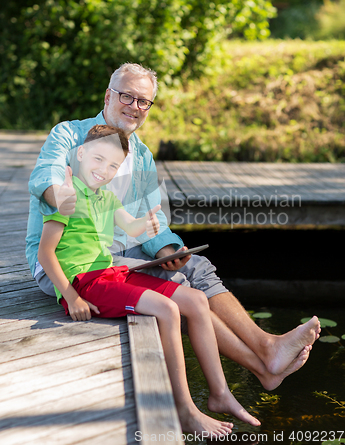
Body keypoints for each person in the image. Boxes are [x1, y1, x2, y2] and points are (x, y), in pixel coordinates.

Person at [26, 62, 321, 395]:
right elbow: (45, 177)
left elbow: (152, 221)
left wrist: (168, 251)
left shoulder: (141, 157)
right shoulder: (70, 134)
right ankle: (262, 362)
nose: (135, 107)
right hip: (69, 262)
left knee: (195, 265)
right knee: (177, 283)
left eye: (144, 102)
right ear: (109, 96)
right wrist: (67, 199)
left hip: (121, 253)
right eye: (127, 96)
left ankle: (266, 348)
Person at [37, 124, 261, 433]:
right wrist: (71, 296)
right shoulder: (67, 196)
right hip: (86, 284)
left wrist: (150, 222)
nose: (104, 170)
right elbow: (45, 254)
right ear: (81, 153)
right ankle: (184, 409)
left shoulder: (105, 199)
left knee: (195, 300)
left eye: (113, 165)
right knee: (168, 309)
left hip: (111, 274)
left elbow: (132, 228)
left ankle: (220, 393)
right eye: (98, 160)